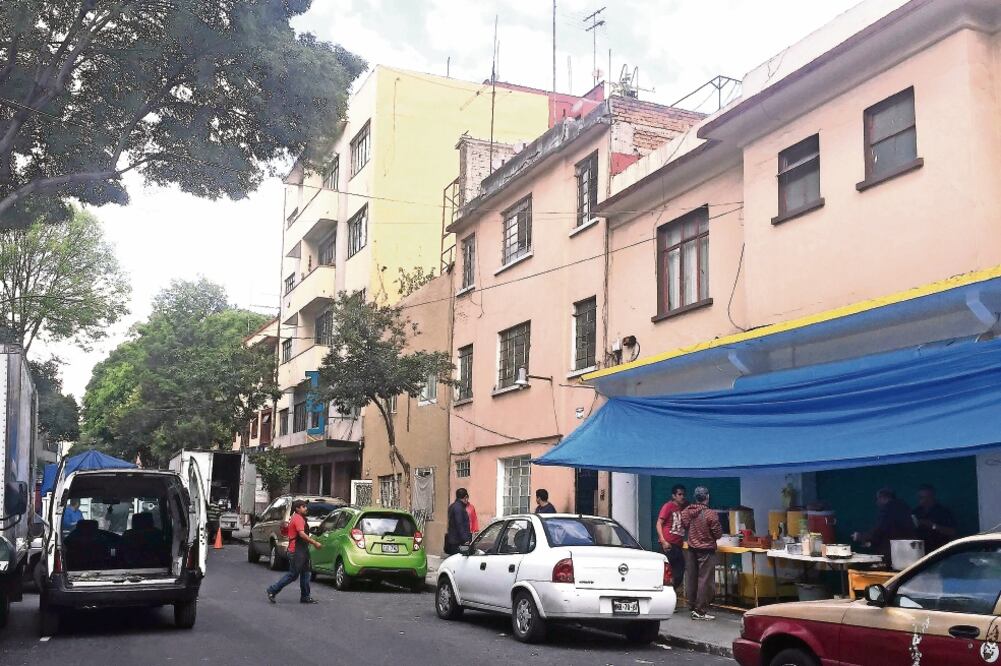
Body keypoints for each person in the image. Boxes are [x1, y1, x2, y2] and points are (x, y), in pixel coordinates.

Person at [267, 500, 323, 604]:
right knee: (293, 575)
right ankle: (272, 590)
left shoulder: (299, 518)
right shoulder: (298, 518)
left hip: (302, 550)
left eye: (305, 506)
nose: (305, 508)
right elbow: (301, 534)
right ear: (297, 509)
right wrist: (315, 543)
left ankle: (305, 596)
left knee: (305, 573)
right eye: (303, 507)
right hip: (296, 551)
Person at [680, 486, 722, 621]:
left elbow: (684, 523)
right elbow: (718, 533)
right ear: (707, 497)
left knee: (692, 578)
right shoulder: (710, 514)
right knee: (705, 580)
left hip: (691, 548)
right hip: (706, 550)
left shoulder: (687, 511)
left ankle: (692, 606)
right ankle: (700, 610)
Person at [852, 487, 916, 560]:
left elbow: (879, 530)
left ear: (883, 498)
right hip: (909, 551)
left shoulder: (887, 510)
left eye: (878, 499)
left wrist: (861, 536)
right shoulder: (905, 508)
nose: (877, 502)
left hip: (891, 553)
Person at [656, 484, 687, 603]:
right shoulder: (668, 506)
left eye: (683, 494)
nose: (682, 497)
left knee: (679, 572)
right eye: (679, 494)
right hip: (668, 544)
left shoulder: (683, 509)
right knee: (666, 574)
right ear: (674, 496)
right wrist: (663, 540)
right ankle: (664, 600)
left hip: (678, 545)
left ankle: (669, 596)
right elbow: (659, 523)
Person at [912, 484, 957, 552]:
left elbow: (952, 532)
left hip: (939, 550)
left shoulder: (943, 512)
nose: (923, 500)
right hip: (921, 551)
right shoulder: (916, 512)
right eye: (920, 497)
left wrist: (932, 525)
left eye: (927, 497)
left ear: (932, 497)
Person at [445, 488, 472, 555]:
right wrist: (466, 539)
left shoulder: (452, 506)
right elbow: (460, 524)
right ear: (465, 497)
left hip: (452, 540)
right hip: (458, 541)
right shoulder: (459, 508)